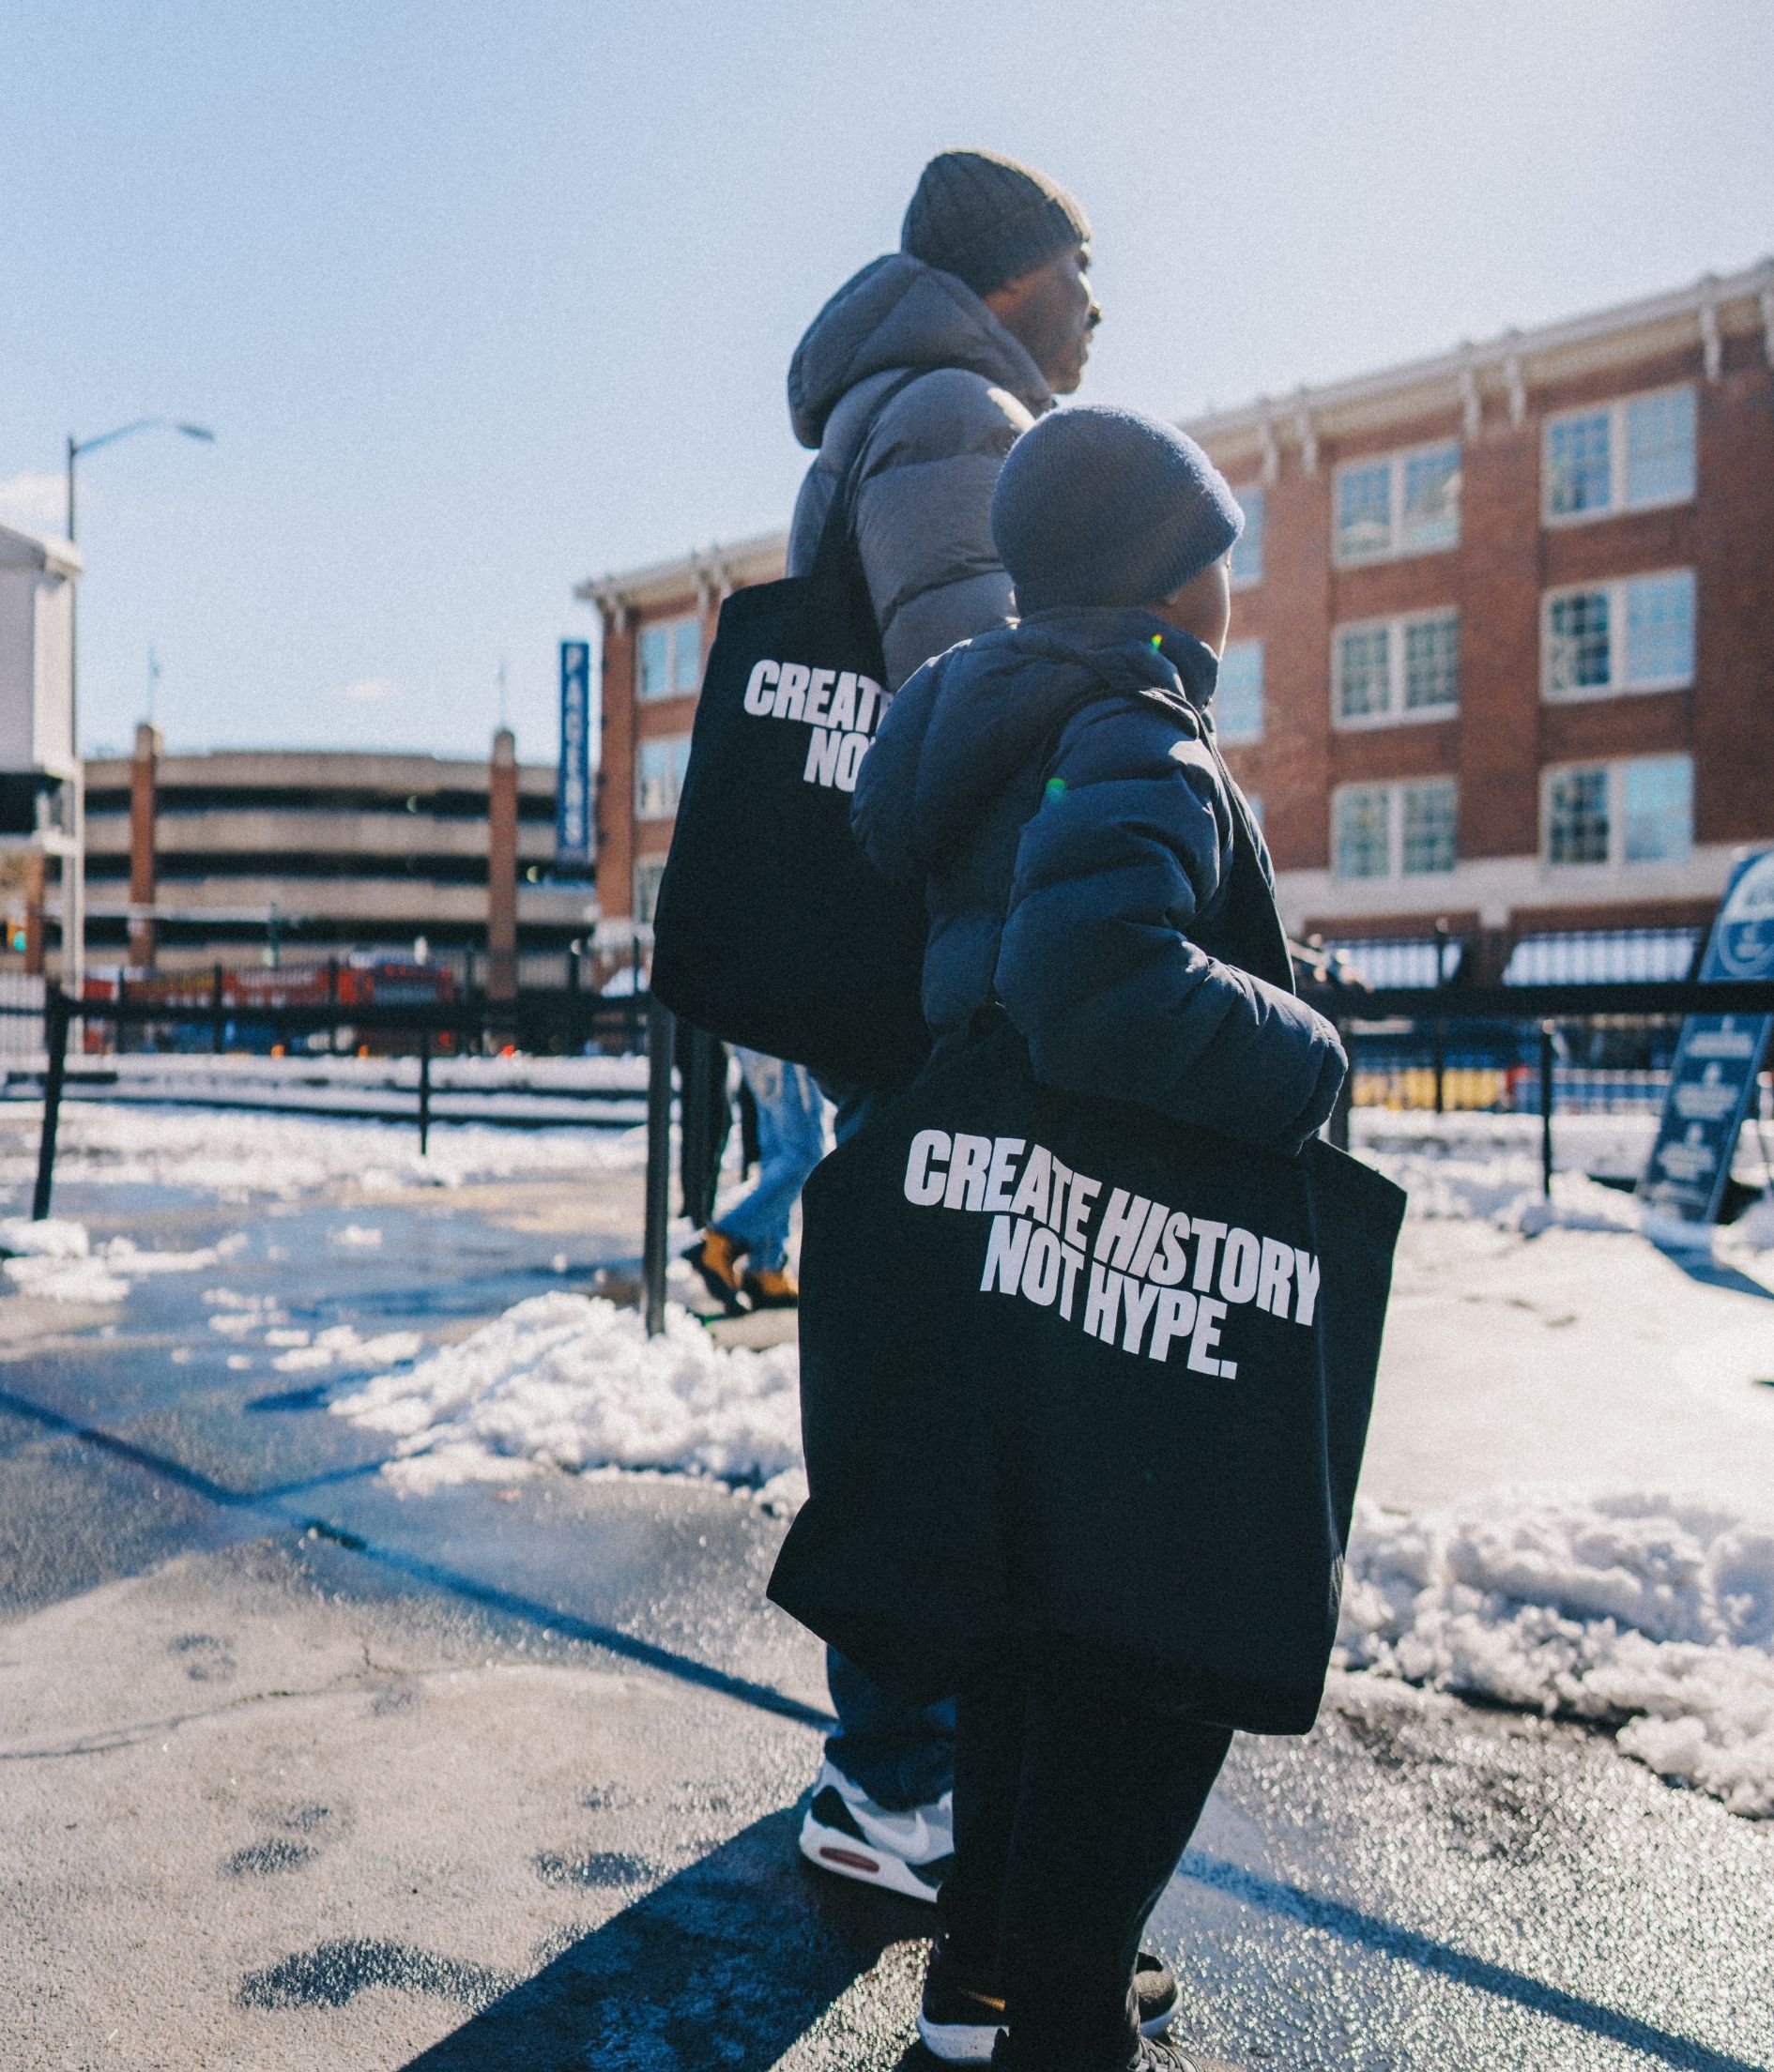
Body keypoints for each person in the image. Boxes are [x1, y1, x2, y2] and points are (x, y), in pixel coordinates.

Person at [850, 406, 1347, 2070]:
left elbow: (998, 969)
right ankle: (1062, 2013)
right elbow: (1093, 974)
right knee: (1159, 1650)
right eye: (1215, 555)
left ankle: (985, 1979)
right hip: (1139, 1258)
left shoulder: (984, 722)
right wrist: (1307, 1048)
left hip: (1016, 1254)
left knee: (1033, 1625)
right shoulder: (1133, 726)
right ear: (1170, 577)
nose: (1230, 586)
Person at [786, 144, 1102, 1910]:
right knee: (938, 1393)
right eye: (1081, 264)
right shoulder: (961, 412)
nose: (1101, 303)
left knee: (914, 1375)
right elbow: (985, 714)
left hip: (901, 985)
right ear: (1006, 275)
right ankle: (899, 1777)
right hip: (950, 990)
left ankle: (901, 1760)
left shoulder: (897, 408)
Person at [683, 1048, 824, 1311]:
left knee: (779, 1154)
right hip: (790, 1038)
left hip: (757, 1040)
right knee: (803, 1154)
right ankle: (724, 1238)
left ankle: (765, 1268)